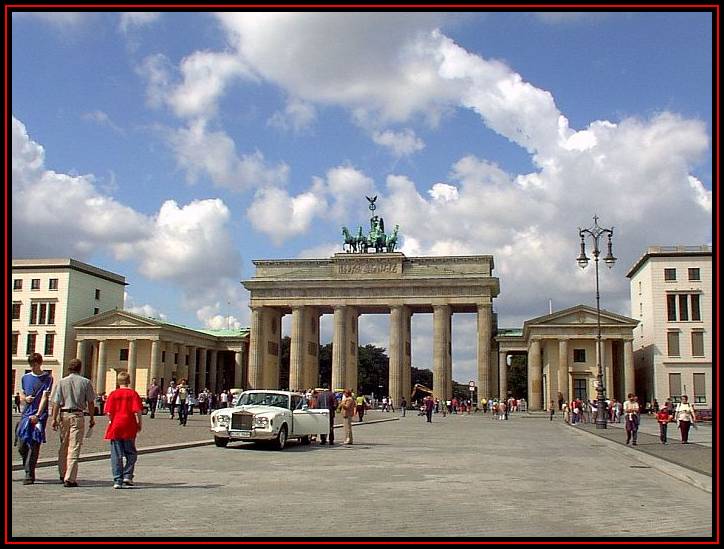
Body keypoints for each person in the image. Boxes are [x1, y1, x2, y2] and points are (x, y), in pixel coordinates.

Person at [50, 358, 96, 487]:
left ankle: (62, 473)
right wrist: (92, 417)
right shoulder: (85, 382)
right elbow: (90, 402)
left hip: (63, 415)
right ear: (80, 368)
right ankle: (69, 478)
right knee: (74, 446)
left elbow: (56, 402)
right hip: (77, 415)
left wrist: (53, 418)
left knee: (63, 445)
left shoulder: (61, 382)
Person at [16, 353, 53, 485]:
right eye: (31, 364)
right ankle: (27, 465)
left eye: (35, 364)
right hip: (25, 414)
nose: (32, 367)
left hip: (38, 415)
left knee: (33, 444)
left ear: (40, 363)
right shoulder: (25, 377)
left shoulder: (47, 378)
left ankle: (29, 474)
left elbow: (45, 397)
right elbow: (21, 393)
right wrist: (24, 399)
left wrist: (38, 415)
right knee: (21, 445)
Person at [104, 371, 143, 489]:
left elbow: (108, 412)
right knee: (131, 453)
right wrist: (139, 423)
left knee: (116, 454)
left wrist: (111, 420)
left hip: (116, 426)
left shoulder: (113, 394)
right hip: (129, 425)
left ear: (118, 381)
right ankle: (127, 474)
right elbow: (138, 411)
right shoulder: (133, 394)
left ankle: (117, 480)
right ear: (129, 381)